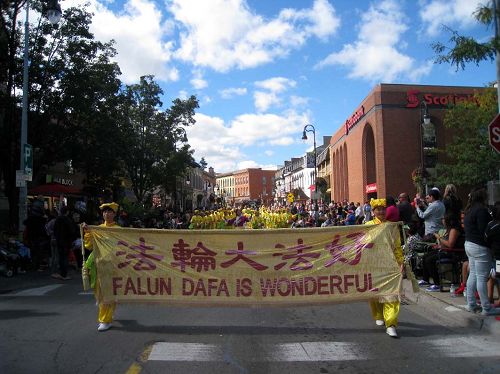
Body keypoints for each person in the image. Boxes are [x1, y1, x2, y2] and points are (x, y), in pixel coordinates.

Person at [365, 198, 404, 338]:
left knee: (391, 294)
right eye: (378, 209)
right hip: (373, 263)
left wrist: (400, 262)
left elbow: (397, 246)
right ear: (373, 211)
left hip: (389, 263)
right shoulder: (368, 226)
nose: (381, 211)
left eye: (383, 208)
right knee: (375, 292)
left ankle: (391, 324)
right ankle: (378, 315)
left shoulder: (392, 226)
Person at [83, 202, 120, 331]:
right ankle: (108, 314)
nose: (106, 214)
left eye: (109, 211)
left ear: (114, 214)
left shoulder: (119, 230)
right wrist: (88, 232)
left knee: (108, 292)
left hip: (113, 265)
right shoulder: (97, 229)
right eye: (104, 211)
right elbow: (89, 246)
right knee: (101, 292)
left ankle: (105, 319)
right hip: (98, 264)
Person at [463, 188, 500, 316]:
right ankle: (486, 307)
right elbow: (484, 231)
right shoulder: (481, 210)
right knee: (481, 277)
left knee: (473, 274)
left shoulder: (469, 210)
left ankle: (471, 303)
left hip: (468, 244)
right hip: (479, 247)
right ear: (482, 197)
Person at [419, 213, 464, 291]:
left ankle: (437, 284)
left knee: (430, 260)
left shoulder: (454, 230)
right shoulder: (448, 229)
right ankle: (425, 279)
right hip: (445, 250)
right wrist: (439, 246)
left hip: (452, 253)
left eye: (443, 219)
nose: (442, 220)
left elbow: (450, 244)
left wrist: (439, 238)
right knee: (425, 256)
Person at [52, 206, 76, 281]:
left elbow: (54, 230)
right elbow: (72, 231)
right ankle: (64, 274)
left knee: (61, 257)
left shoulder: (57, 220)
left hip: (59, 240)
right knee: (65, 257)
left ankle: (62, 273)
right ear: (67, 212)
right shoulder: (68, 220)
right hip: (66, 241)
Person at [485, 202, 500, 305]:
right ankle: (491, 297)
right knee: (496, 276)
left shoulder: (491, 225)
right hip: (497, 256)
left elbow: (486, 239)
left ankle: (490, 297)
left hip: (494, 255)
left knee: (494, 275)